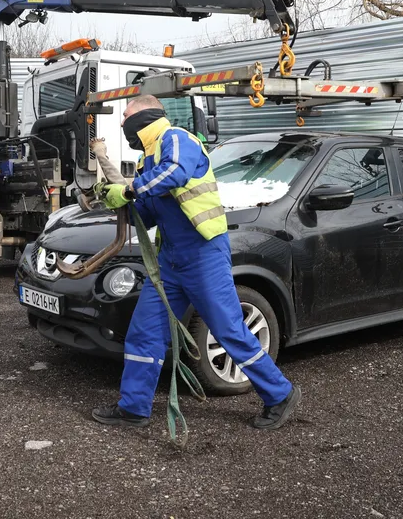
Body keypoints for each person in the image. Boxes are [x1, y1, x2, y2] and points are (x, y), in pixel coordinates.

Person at [92, 95, 300, 430]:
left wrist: (129, 190)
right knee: (145, 332)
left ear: (146, 114)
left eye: (126, 114)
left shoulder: (177, 139)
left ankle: (280, 394)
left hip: (204, 255)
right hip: (170, 261)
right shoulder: (147, 162)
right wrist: (117, 201)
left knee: (228, 330)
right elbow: (147, 215)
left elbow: (175, 174)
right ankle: (133, 407)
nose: (121, 122)